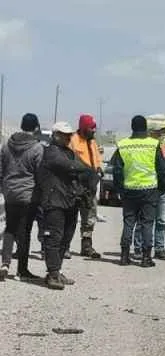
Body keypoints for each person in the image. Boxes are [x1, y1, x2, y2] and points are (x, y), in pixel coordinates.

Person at [36, 122, 96, 290]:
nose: (69, 137)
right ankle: (53, 274)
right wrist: (87, 171)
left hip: (69, 201)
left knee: (65, 238)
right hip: (54, 201)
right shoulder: (51, 153)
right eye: (64, 135)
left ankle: (57, 271)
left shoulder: (68, 152)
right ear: (56, 135)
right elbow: (74, 167)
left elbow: (84, 168)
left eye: (69, 134)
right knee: (54, 239)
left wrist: (88, 175)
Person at [111, 115, 165, 267]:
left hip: (129, 190)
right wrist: (162, 188)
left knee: (128, 222)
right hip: (150, 189)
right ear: (145, 128)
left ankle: (124, 257)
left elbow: (117, 170)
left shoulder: (123, 144)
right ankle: (145, 258)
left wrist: (119, 189)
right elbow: (163, 169)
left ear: (132, 127)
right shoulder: (154, 144)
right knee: (147, 223)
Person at [0, 113, 45, 281]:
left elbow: (1, 167)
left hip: (10, 192)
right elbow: (40, 173)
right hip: (28, 194)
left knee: (10, 228)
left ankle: (5, 263)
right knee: (25, 230)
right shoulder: (37, 148)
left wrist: (3, 187)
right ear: (36, 127)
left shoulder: (7, 145)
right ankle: (22, 269)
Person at [132, 124, 165, 261]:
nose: (162, 135)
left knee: (161, 220)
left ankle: (159, 248)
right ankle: (138, 248)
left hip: (162, 189)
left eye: (164, 133)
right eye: (159, 132)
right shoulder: (147, 148)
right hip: (150, 188)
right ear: (151, 133)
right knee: (143, 219)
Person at [69, 114, 103, 259]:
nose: (93, 131)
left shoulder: (92, 142)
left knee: (89, 217)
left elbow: (96, 159)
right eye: (91, 128)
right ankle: (65, 247)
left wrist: (99, 169)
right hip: (76, 185)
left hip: (90, 187)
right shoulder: (73, 141)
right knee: (70, 217)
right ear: (83, 128)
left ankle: (86, 246)